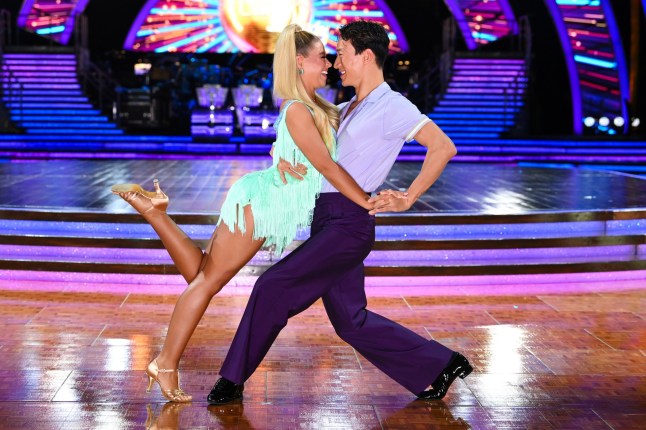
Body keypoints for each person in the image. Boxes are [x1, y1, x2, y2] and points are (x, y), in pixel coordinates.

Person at [208, 20, 472, 405]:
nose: (336, 63)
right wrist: (280, 160)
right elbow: (304, 143)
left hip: (349, 223)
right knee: (352, 321)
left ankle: (231, 380)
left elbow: (443, 147)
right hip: (327, 217)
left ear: (366, 56)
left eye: (343, 53)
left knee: (272, 286)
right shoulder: (344, 108)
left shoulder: (392, 104)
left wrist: (409, 196)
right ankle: (441, 364)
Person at [111, 24, 374, 403]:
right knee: (204, 283)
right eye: (322, 57)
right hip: (262, 205)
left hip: (264, 200)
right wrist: (366, 202)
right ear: (300, 63)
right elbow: (329, 168)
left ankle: (156, 214)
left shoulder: (314, 107)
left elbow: (310, 155)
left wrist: (282, 160)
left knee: (200, 273)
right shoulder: (300, 109)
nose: (329, 64)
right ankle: (165, 363)